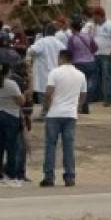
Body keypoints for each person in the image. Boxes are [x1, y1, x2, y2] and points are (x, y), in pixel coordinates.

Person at [39, 48, 88, 188]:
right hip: (70, 114)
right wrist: (77, 107)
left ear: (61, 58)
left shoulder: (55, 72)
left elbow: (48, 92)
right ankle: (70, 177)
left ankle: (49, 176)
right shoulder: (80, 75)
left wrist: (46, 107)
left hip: (54, 114)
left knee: (50, 146)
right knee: (68, 147)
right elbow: (83, 94)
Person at [0, 62, 25, 187]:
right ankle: (12, 176)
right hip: (11, 116)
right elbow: (20, 101)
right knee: (11, 147)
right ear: (8, 72)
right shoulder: (11, 84)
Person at [28, 23, 64, 119]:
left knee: (43, 93)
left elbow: (31, 51)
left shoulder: (42, 42)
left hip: (44, 72)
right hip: (56, 71)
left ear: (45, 32)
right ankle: (52, 112)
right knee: (54, 93)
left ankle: (45, 113)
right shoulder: (59, 43)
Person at [67, 17, 97, 115]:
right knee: (87, 85)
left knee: (79, 86)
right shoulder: (88, 36)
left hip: (78, 64)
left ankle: (81, 106)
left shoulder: (72, 38)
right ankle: (86, 105)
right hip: (91, 63)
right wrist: (89, 54)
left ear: (72, 28)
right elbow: (95, 47)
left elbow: (69, 52)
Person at [92, 7, 111, 106]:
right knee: (98, 77)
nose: (93, 18)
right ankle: (99, 97)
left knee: (108, 77)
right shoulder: (96, 26)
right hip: (97, 55)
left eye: (95, 16)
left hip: (106, 55)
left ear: (99, 16)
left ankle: (109, 98)